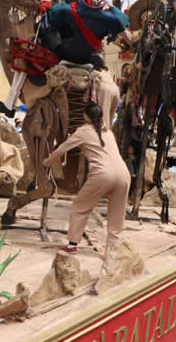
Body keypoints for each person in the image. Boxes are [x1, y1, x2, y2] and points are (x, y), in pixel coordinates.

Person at [44, 99, 130, 254]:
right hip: (124, 174)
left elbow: (62, 149)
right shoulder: (108, 132)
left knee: (80, 207)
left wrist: (47, 162)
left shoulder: (83, 131)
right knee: (117, 214)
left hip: (103, 174)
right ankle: (113, 251)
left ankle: (72, 245)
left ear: (86, 116)